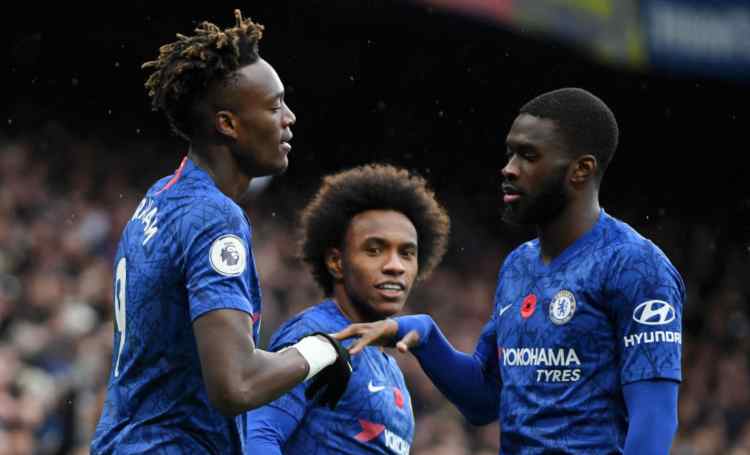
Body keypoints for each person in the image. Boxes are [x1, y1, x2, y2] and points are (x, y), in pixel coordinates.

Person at [335, 88, 685, 454]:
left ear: (581, 170)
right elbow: (484, 400)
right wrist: (425, 335)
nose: (509, 168)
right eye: (510, 153)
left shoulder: (635, 266)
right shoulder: (519, 266)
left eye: (528, 156)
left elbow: (655, 421)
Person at [90, 10, 352, 454]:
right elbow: (236, 385)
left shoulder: (160, 196)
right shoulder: (214, 217)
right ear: (227, 124)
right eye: (274, 106)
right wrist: (320, 352)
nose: (289, 118)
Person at [244, 164, 450, 454]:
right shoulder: (316, 336)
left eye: (406, 253)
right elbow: (257, 436)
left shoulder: (391, 370)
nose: (395, 266)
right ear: (336, 262)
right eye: (374, 250)